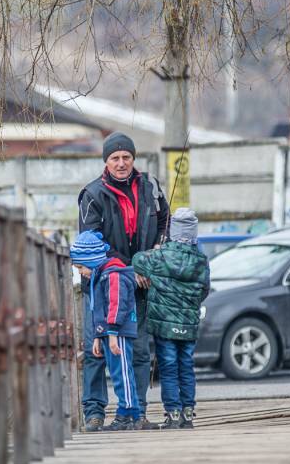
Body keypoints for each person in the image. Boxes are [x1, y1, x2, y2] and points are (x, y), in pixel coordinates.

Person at [77, 131, 170, 431]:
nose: (121, 163)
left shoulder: (151, 187)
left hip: (142, 285)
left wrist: (155, 253)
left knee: (140, 349)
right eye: (115, 158)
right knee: (98, 348)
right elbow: (92, 242)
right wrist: (132, 270)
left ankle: (137, 411)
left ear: (133, 159)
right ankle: (94, 412)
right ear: (106, 161)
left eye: (126, 157)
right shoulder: (92, 195)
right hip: (105, 286)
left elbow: (164, 222)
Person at [131, 208, 210, 429]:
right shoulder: (201, 261)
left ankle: (173, 413)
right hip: (189, 323)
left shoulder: (160, 256)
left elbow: (137, 260)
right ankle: (188, 413)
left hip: (164, 324)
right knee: (186, 366)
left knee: (168, 367)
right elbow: (205, 290)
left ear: (172, 231)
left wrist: (157, 246)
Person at [70, 230, 141, 431]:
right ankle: (129, 413)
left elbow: (116, 306)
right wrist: (98, 336)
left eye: (81, 267)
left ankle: (127, 414)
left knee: (122, 374)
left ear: (92, 260)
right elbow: (98, 311)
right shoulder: (101, 276)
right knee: (119, 373)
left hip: (118, 333)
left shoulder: (113, 275)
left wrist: (110, 334)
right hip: (109, 333)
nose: (81, 273)